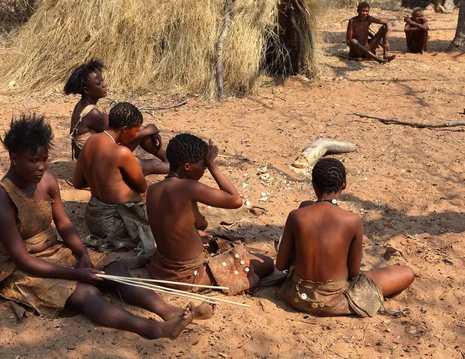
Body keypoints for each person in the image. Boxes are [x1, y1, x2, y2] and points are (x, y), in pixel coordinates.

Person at [0, 113, 207, 339]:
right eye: (33, 161)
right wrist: (77, 275)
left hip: (56, 252)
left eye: (45, 160)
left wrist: (82, 254)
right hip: (21, 269)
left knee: (114, 270)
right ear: (14, 158)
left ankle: (170, 311)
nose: (42, 167)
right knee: (86, 293)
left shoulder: (47, 181)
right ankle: (154, 329)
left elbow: (64, 224)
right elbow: (23, 259)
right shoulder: (2, 201)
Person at [276, 158, 414, 317]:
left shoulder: (296, 216)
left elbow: (280, 266)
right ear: (344, 184)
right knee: (406, 273)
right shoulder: (352, 220)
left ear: (314, 184)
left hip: (296, 295)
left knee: (306, 205)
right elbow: (354, 272)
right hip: (334, 301)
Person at [145, 133, 274, 293]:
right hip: (188, 275)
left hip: (160, 268)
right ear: (187, 166)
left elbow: (173, 226)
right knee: (267, 263)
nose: (204, 170)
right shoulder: (188, 188)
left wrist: (195, 230)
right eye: (203, 165)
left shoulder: (153, 190)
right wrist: (213, 165)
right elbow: (235, 200)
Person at [73, 102, 156, 254]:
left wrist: (100, 178)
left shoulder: (90, 141)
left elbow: (77, 183)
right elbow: (142, 187)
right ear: (124, 129)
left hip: (94, 216)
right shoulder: (121, 152)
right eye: (135, 131)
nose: (134, 136)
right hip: (115, 222)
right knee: (154, 191)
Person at [65, 59, 168, 174]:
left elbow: (123, 129)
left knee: (142, 132)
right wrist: (151, 129)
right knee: (151, 164)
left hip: (91, 161)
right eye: (99, 83)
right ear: (86, 90)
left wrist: (148, 130)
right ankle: (174, 167)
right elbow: (122, 135)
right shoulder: (92, 113)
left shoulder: (83, 105)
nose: (104, 85)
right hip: (96, 168)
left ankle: (170, 162)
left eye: (102, 80)